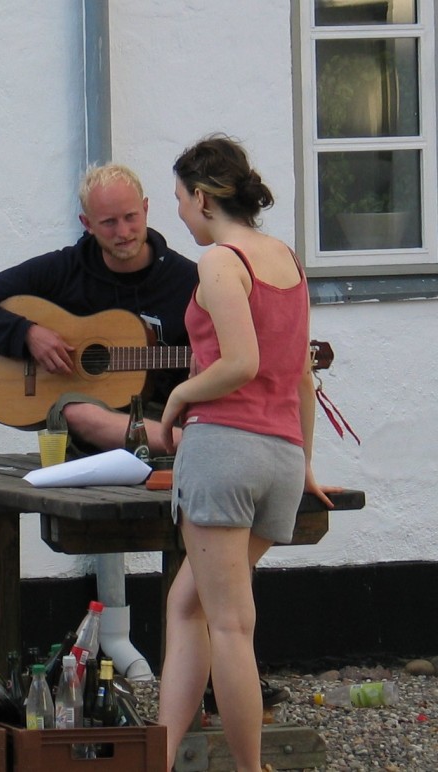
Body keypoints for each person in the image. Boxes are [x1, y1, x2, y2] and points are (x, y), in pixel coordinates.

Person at [0, 163, 198, 680]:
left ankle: (203, 671)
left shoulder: (188, 281)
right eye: (108, 223)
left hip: (164, 416)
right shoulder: (64, 270)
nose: (123, 233)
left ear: (147, 210)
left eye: (130, 218)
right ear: (86, 223)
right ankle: (170, 443)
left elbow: (220, 356)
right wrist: (27, 334)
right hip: (92, 430)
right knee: (76, 409)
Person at [154, 136, 338, 772]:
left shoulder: (219, 262)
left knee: (229, 625)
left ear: (202, 198)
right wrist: (306, 461)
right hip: (281, 456)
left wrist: (177, 394)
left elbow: (242, 364)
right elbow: (299, 375)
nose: (178, 213)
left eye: (179, 200)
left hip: (225, 450)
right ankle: (161, 754)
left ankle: (249, 769)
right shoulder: (284, 258)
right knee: (188, 605)